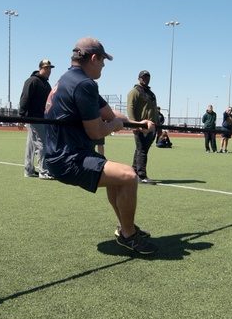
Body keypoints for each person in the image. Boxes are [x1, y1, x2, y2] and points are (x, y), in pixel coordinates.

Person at [43, 37, 157, 254]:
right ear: (94, 58)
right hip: (69, 159)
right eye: (103, 60)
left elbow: (109, 114)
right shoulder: (84, 84)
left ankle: (126, 228)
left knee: (118, 179)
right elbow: (96, 131)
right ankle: (129, 235)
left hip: (66, 154)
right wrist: (116, 125)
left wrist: (138, 124)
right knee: (129, 176)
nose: (104, 66)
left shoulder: (70, 79)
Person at [19, 59, 55, 179]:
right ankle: (44, 171)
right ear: (40, 68)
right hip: (34, 118)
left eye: (50, 68)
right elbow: (25, 99)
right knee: (42, 143)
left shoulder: (46, 83)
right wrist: (21, 117)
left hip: (41, 118)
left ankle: (28, 170)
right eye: (46, 68)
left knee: (31, 145)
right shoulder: (32, 81)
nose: (48, 70)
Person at [126, 70, 158, 183]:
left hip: (151, 127)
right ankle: (141, 175)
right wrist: (134, 125)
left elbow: (154, 111)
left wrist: (157, 126)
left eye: (148, 77)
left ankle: (134, 172)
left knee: (141, 149)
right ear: (139, 79)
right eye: (144, 77)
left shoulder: (151, 94)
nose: (146, 79)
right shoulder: (134, 92)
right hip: (141, 126)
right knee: (142, 150)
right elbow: (130, 109)